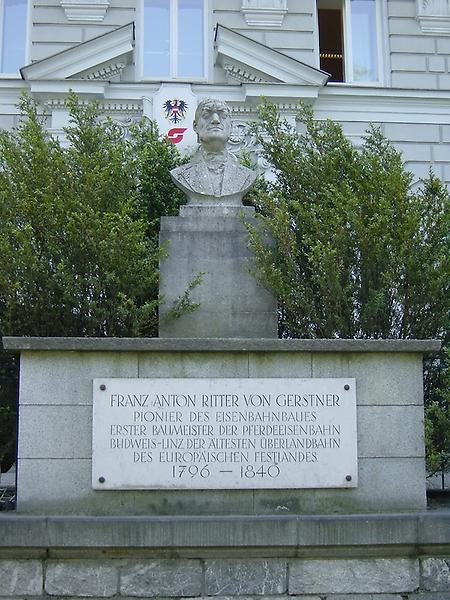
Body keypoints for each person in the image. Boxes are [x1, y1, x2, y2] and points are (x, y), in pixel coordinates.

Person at [170, 98, 256, 205]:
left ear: (231, 127)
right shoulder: (181, 174)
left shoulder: (247, 176)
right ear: (195, 126)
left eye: (222, 115)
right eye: (206, 115)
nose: (215, 120)